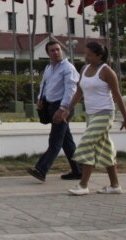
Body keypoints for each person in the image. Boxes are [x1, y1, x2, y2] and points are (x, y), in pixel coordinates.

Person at [60, 41, 126, 196]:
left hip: (105, 113)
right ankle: (115, 185)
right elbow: (79, 91)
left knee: (87, 144)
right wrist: (68, 108)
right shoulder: (85, 69)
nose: (86, 57)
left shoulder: (107, 71)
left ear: (99, 55)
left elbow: (117, 96)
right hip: (91, 115)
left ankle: (83, 184)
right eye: (85, 54)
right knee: (105, 149)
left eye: (90, 54)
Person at [27, 40, 82, 182]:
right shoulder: (49, 68)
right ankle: (78, 171)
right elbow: (44, 84)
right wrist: (40, 99)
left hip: (63, 107)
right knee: (66, 141)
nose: (56, 52)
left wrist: (63, 109)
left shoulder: (68, 68)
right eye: (52, 50)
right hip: (51, 106)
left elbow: (71, 90)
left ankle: (41, 169)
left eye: (58, 49)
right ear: (48, 53)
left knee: (55, 139)